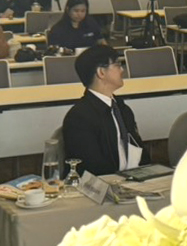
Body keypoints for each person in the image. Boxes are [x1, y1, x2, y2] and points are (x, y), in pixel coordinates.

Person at [62, 45, 145, 176]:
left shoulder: (122, 109)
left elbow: (141, 152)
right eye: (117, 65)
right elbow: (92, 168)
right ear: (101, 72)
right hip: (103, 184)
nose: (122, 70)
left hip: (133, 179)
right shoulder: (79, 117)